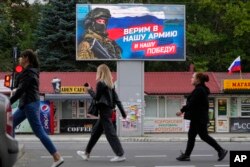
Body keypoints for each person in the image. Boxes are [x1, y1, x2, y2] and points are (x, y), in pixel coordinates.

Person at [10, 49, 64, 167]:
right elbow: (19, 87)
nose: (19, 59)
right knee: (10, 124)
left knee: (39, 131)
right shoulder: (29, 71)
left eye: (21, 57)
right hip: (26, 104)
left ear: (26, 58)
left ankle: (57, 157)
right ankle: (12, 153)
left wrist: (8, 103)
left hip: (29, 104)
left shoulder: (29, 72)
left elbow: (20, 91)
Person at [77, 64, 127, 162]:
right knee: (95, 133)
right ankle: (86, 153)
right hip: (107, 112)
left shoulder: (101, 83)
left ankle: (120, 154)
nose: (97, 73)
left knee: (110, 134)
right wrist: (123, 113)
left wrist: (89, 90)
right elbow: (117, 100)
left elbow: (96, 98)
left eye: (98, 71)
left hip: (104, 112)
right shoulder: (110, 85)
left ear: (101, 72)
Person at [176, 72, 228, 161]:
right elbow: (193, 103)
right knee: (193, 136)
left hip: (199, 118)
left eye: (193, 77)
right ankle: (187, 155)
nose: (191, 79)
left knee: (203, 136)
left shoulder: (199, 90)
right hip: (197, 117)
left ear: (198, 80)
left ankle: (221, 150)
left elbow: (192, 103)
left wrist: (181, 111)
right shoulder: (200, 89)